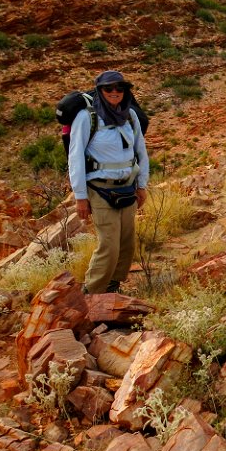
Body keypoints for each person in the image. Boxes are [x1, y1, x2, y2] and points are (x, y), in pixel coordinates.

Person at [68, 70, 149, 294]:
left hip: (128, 188)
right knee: (109, 246)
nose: (114, 92)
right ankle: (92, 292)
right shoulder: (87, 117)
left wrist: (142, 185)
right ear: (99, 91)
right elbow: (75, 157)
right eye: (108, 88)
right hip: (100, 190)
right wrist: (80, 197)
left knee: (126, 244)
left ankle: (113, 287)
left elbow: (140, 152)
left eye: (119, 88)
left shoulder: (130, 116)